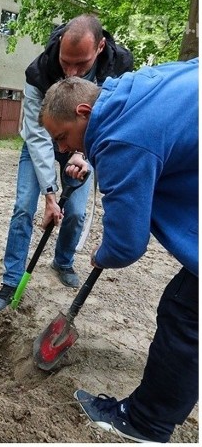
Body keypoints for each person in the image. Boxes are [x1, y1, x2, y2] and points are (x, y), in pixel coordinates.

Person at [39, 58, 198, 443]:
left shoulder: (122, 139)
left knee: (186, 315)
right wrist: (87, 153)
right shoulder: (133, 88)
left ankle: (147, 422)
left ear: (84, 111)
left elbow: (128, 243)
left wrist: (104, 254)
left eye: (63, 138)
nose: (63, 149)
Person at [0, 14, 134, 312]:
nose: (72, 72)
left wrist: (83, 153)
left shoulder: (118, 70)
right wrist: (51, 194)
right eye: (67, 62)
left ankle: (63, 260)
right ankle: (12, 279)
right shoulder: (39, 72)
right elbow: (37, 136)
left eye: (81, 64)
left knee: (76, 213)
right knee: (23, 208)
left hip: (84, 141)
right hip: (42, 138)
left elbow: (110, 122)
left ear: (100, 47)